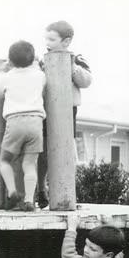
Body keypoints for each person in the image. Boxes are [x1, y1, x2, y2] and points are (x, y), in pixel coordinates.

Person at [37, 20, 92, 208]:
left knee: (65, 151)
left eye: (52, 39)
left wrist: (71, 66)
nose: (48, 42)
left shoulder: (76, 58)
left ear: (66, 41)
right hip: (45, 109)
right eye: (46, 38)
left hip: (67, 111)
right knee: (43, 152)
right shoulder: (42, 59)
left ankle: (64, 192)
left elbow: (86, 81)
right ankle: (41, 189)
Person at [0, 40, 46, 212]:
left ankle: (13, 192)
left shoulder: (6, 77)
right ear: (33, 59)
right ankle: (29, 201)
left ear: (10, 60)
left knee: (4, 160)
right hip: (36, 122)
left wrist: (3, 70)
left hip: (15, 122)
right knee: (30, 164)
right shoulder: (40, 75)